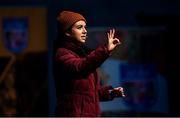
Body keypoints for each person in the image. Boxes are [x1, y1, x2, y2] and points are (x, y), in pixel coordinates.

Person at [53, 10, 125, 117]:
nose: (85, 31)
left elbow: (89, 92)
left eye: (85, 27)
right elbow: (80, 68)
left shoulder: (81, 55)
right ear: (67, 32)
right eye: (79, 27)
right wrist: (105, 50)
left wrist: (111, 92)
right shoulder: (62, 54)